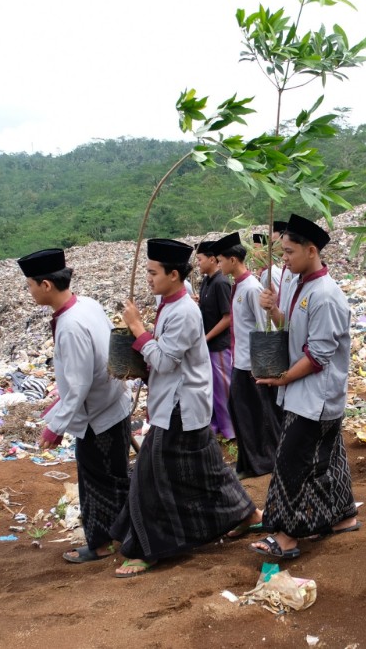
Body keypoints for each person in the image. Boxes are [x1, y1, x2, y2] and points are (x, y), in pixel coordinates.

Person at [111, 238, 260, 577]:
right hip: (180, 402)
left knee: (150, 476)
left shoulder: (184, 312)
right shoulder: (170, 304)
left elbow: (164, 362)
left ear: (174, 274)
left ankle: (150, 547)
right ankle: (249, 515)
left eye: (153, 273)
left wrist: (137, 328)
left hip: (180, 406)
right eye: (147, 272)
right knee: (207, 469)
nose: (148, 279)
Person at [249, 214, 359, 560]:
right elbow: (297, 331)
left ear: (312, 251)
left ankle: (286, 536)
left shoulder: (325, 295)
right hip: (304, 393)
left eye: (289, 253)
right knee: (329, 459)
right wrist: (276, 311)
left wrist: (280, 378)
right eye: (281, 253)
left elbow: (318, 355)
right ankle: (343, 516)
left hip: (316, 396)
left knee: (292, 461)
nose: (284, 260)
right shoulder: (299, 284)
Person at [17, 248, 132, 564]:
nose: (28, 291)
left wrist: (55, 428)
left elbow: (79, 385)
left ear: (46, 285)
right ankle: (121, 533)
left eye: (29, 285)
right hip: (113, 402)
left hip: (97, 415)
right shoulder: (88, 305)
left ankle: (103, 542)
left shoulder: (69, 326)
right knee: (114, 476)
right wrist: (59, 403)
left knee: (98, 481)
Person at [211, 231, 283, 481]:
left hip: (253, 364)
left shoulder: (252, 288)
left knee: (257, 414)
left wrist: (264, 365)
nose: (218, 265)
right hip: (239, 361)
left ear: (233, 259)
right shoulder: (238, 286)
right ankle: (251, 461)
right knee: (243, 413)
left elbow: (268, 327)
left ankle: (264, 461)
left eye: (220, 260)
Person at [195, 240, 235, 440]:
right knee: (212, 389)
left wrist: (206, 337)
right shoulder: (207, 281)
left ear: (212, 259)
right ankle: (217, 427)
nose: (198, 263)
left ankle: (231, 431)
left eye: (200, 259)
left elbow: (228, 318)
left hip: (219, 346)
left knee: (223, 389)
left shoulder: (221, 283)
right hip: (209, 345)